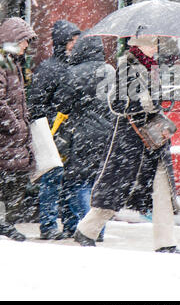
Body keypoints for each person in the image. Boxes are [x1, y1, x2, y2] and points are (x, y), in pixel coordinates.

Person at [74, 35, 180, 254]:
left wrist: (160, 98)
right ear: (139, 46)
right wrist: (143, 101)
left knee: (162, 189)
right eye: (152, 44)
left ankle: (166, 242)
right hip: (130, 140)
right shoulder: (127, 65)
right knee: (116, 187)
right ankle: (87, 229)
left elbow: (152, 101)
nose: (156, 48)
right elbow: (116, 104)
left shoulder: (153, 67)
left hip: (153, 139)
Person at [53, 33, 115, 240]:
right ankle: (98, 230)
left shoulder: (74, 73)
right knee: (98, 182)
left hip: (82, 135)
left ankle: (88, 230)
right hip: (108, 134)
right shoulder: (110, 71)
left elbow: (62, 104)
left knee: (81, 182)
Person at [28, 19, 81, 240]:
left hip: (69, 132)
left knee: (68, 179)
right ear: (63, 42)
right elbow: (36, 102)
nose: (75, 45)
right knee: (53, 178)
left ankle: (69, 225)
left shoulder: (70, 66)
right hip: (53, 131)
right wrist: (52, 119)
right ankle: (48, 226)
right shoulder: (49, 68)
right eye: (72, 41)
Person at [0, 17, 37, 241]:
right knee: (9, 180)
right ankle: (5, 224)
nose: (26, 46)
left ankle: (5, 223)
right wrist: (16, 125)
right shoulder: (4, 63)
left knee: (12, 180)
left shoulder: (11, 62)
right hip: (7, 137)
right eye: (24, 41)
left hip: (11, 138)